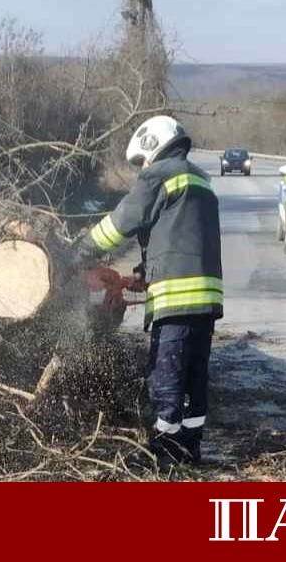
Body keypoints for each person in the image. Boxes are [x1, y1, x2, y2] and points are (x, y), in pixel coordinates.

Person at [77, 115, 223, 464]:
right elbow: (179, 236)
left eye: (142, 161)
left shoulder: (161, 174)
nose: (143, 168)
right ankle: (189, 446)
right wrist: (145, 272)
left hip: (176, 299)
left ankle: (164, 451)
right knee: (193, 375)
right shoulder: (200, 181)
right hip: (206, 299)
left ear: (152, 145)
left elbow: (124, 220)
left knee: (165, 374)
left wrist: (78, 251)